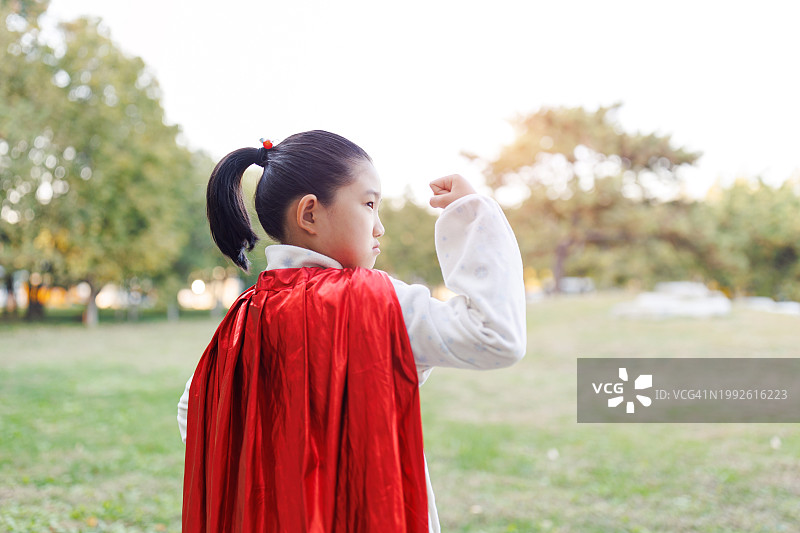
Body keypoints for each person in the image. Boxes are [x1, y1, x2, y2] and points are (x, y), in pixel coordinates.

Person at [178, 130, 527, 532]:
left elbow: (195, 408)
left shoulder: (245, 317)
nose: (379, 227)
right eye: (369, 204)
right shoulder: (376, 303)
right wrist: (471, 214)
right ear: (309, 214)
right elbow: (495, 336)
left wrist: (269, 478)